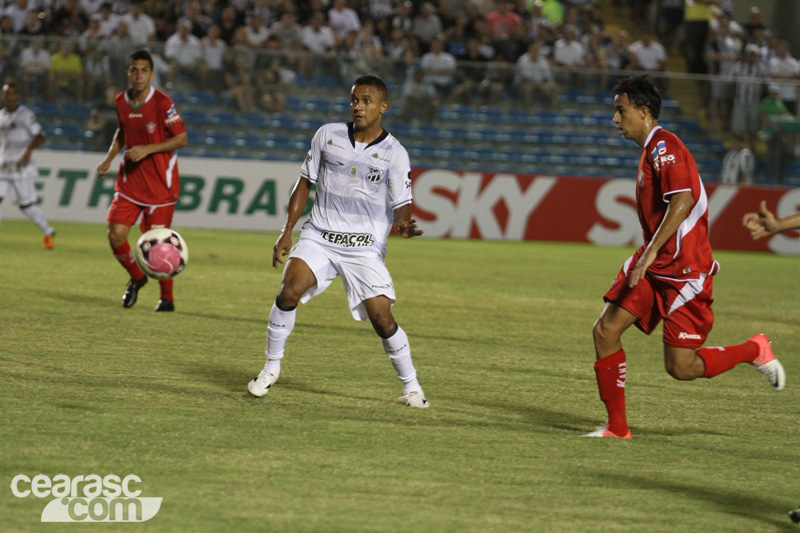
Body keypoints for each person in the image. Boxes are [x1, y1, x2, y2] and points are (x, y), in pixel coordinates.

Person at [585, 75, 785, 440]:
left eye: (620, 110)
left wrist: (650, 254)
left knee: (682, 367)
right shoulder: (651, 150)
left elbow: (683, 200)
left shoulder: (666, 147)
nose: (615, 119)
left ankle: (753, 349)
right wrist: (648, 258)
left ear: (643, 112)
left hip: (684, 273)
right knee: (605, 330)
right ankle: (617, 428)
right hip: (656, 265)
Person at [247, 75, 429, 408]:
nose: (358, 106)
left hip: (364, 247)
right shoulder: (327, 135)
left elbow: (401, 202)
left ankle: (412, 387)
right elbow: (304, 183)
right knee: (289, 290)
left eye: (367, 101)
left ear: (383, 107)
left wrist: (403, 224)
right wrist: (287, 229)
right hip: (320, 235)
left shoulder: (394, 152)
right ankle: (271, 367)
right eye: (354, 100)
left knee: (382, 319)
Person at [96, 49, 188, 311]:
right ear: (128, 73)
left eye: (144, 70)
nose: (139, 75)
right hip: (130, 182)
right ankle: (137, 277)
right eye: (134, 70)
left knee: (158, 244)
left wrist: (147, 149)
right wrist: (109, 158)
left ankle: (167, 299)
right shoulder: (121, 100)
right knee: (115, 234)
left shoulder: (162, 102)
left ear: (152, 74)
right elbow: (122, 131)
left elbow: (181, 138)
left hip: (161, 185)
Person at [0, 81, 55, 249]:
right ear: (2, 95)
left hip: (20, 167)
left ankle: (47, 231)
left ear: (18, 96)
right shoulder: (1, 115)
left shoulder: (25, 114)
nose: (9, 96)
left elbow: (40, 136)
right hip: (3, 166)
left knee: (26, 206)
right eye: (6, 93)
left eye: (12, 93)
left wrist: (28, 151)